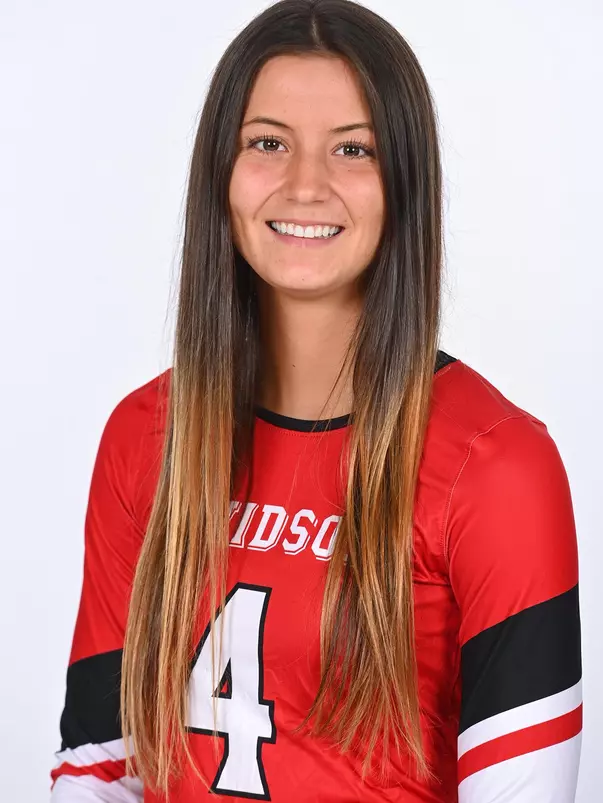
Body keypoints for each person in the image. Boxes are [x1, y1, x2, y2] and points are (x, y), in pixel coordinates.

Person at [49, 1, 582, 801]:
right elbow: (97, 771)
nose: (305, 184)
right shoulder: (144, 434)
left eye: (352, 149)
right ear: (219, 174)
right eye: (267, 143)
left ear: (403, 180)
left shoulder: (498, 464)